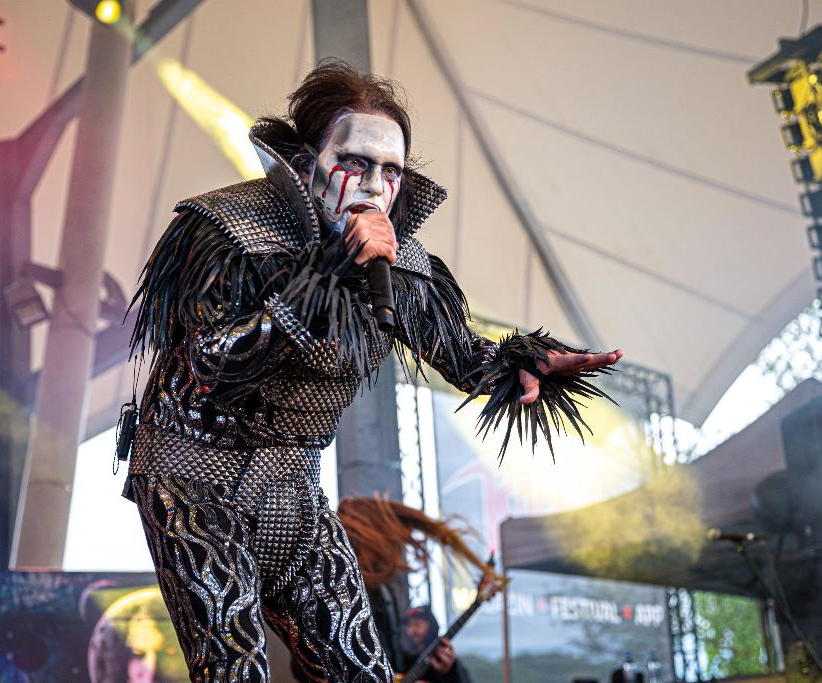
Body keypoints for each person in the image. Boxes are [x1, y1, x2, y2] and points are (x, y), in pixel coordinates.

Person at [121, 59, 621, 682]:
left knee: (362, 671)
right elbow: (210, 368)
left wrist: (532, 363)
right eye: (353, 162)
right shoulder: (226, 230)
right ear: (306, 163)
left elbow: (464, 358)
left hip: (290, 485)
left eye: (390, 171)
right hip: (191, 473)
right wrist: (325, 274)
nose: (371, 185)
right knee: (234, 669)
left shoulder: (403, 267)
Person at [335, 497, 491, 683]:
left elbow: (395, 662)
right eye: (396, 540)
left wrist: (444, 670)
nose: (401, 550)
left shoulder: (383, 593)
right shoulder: (341, 593)